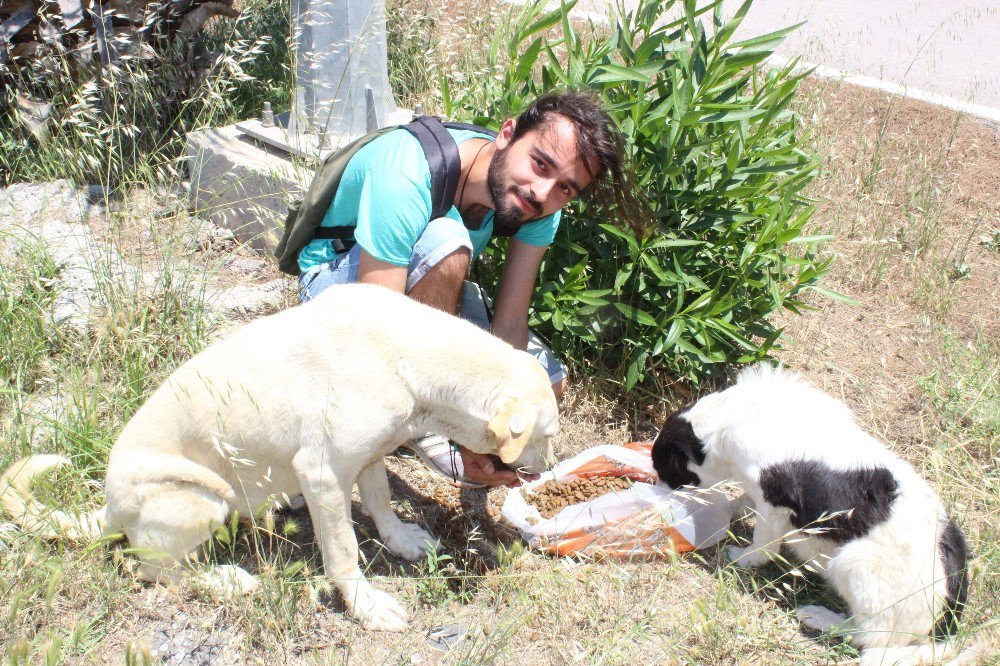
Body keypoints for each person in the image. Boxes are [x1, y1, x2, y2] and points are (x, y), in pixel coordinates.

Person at [296, 89, 628, 487]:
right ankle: (420, 424)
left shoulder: (539, 206)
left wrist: (493, 429)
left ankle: (431, 414)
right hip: (342, 289)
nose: (542, 193)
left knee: (544, 384)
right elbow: (376, 328)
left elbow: (509, 322)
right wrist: (458, 419)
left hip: (421, 278)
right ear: (506, 134)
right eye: (540, 164)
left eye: (565, 188)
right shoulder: (406, 172)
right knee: (448, 239)